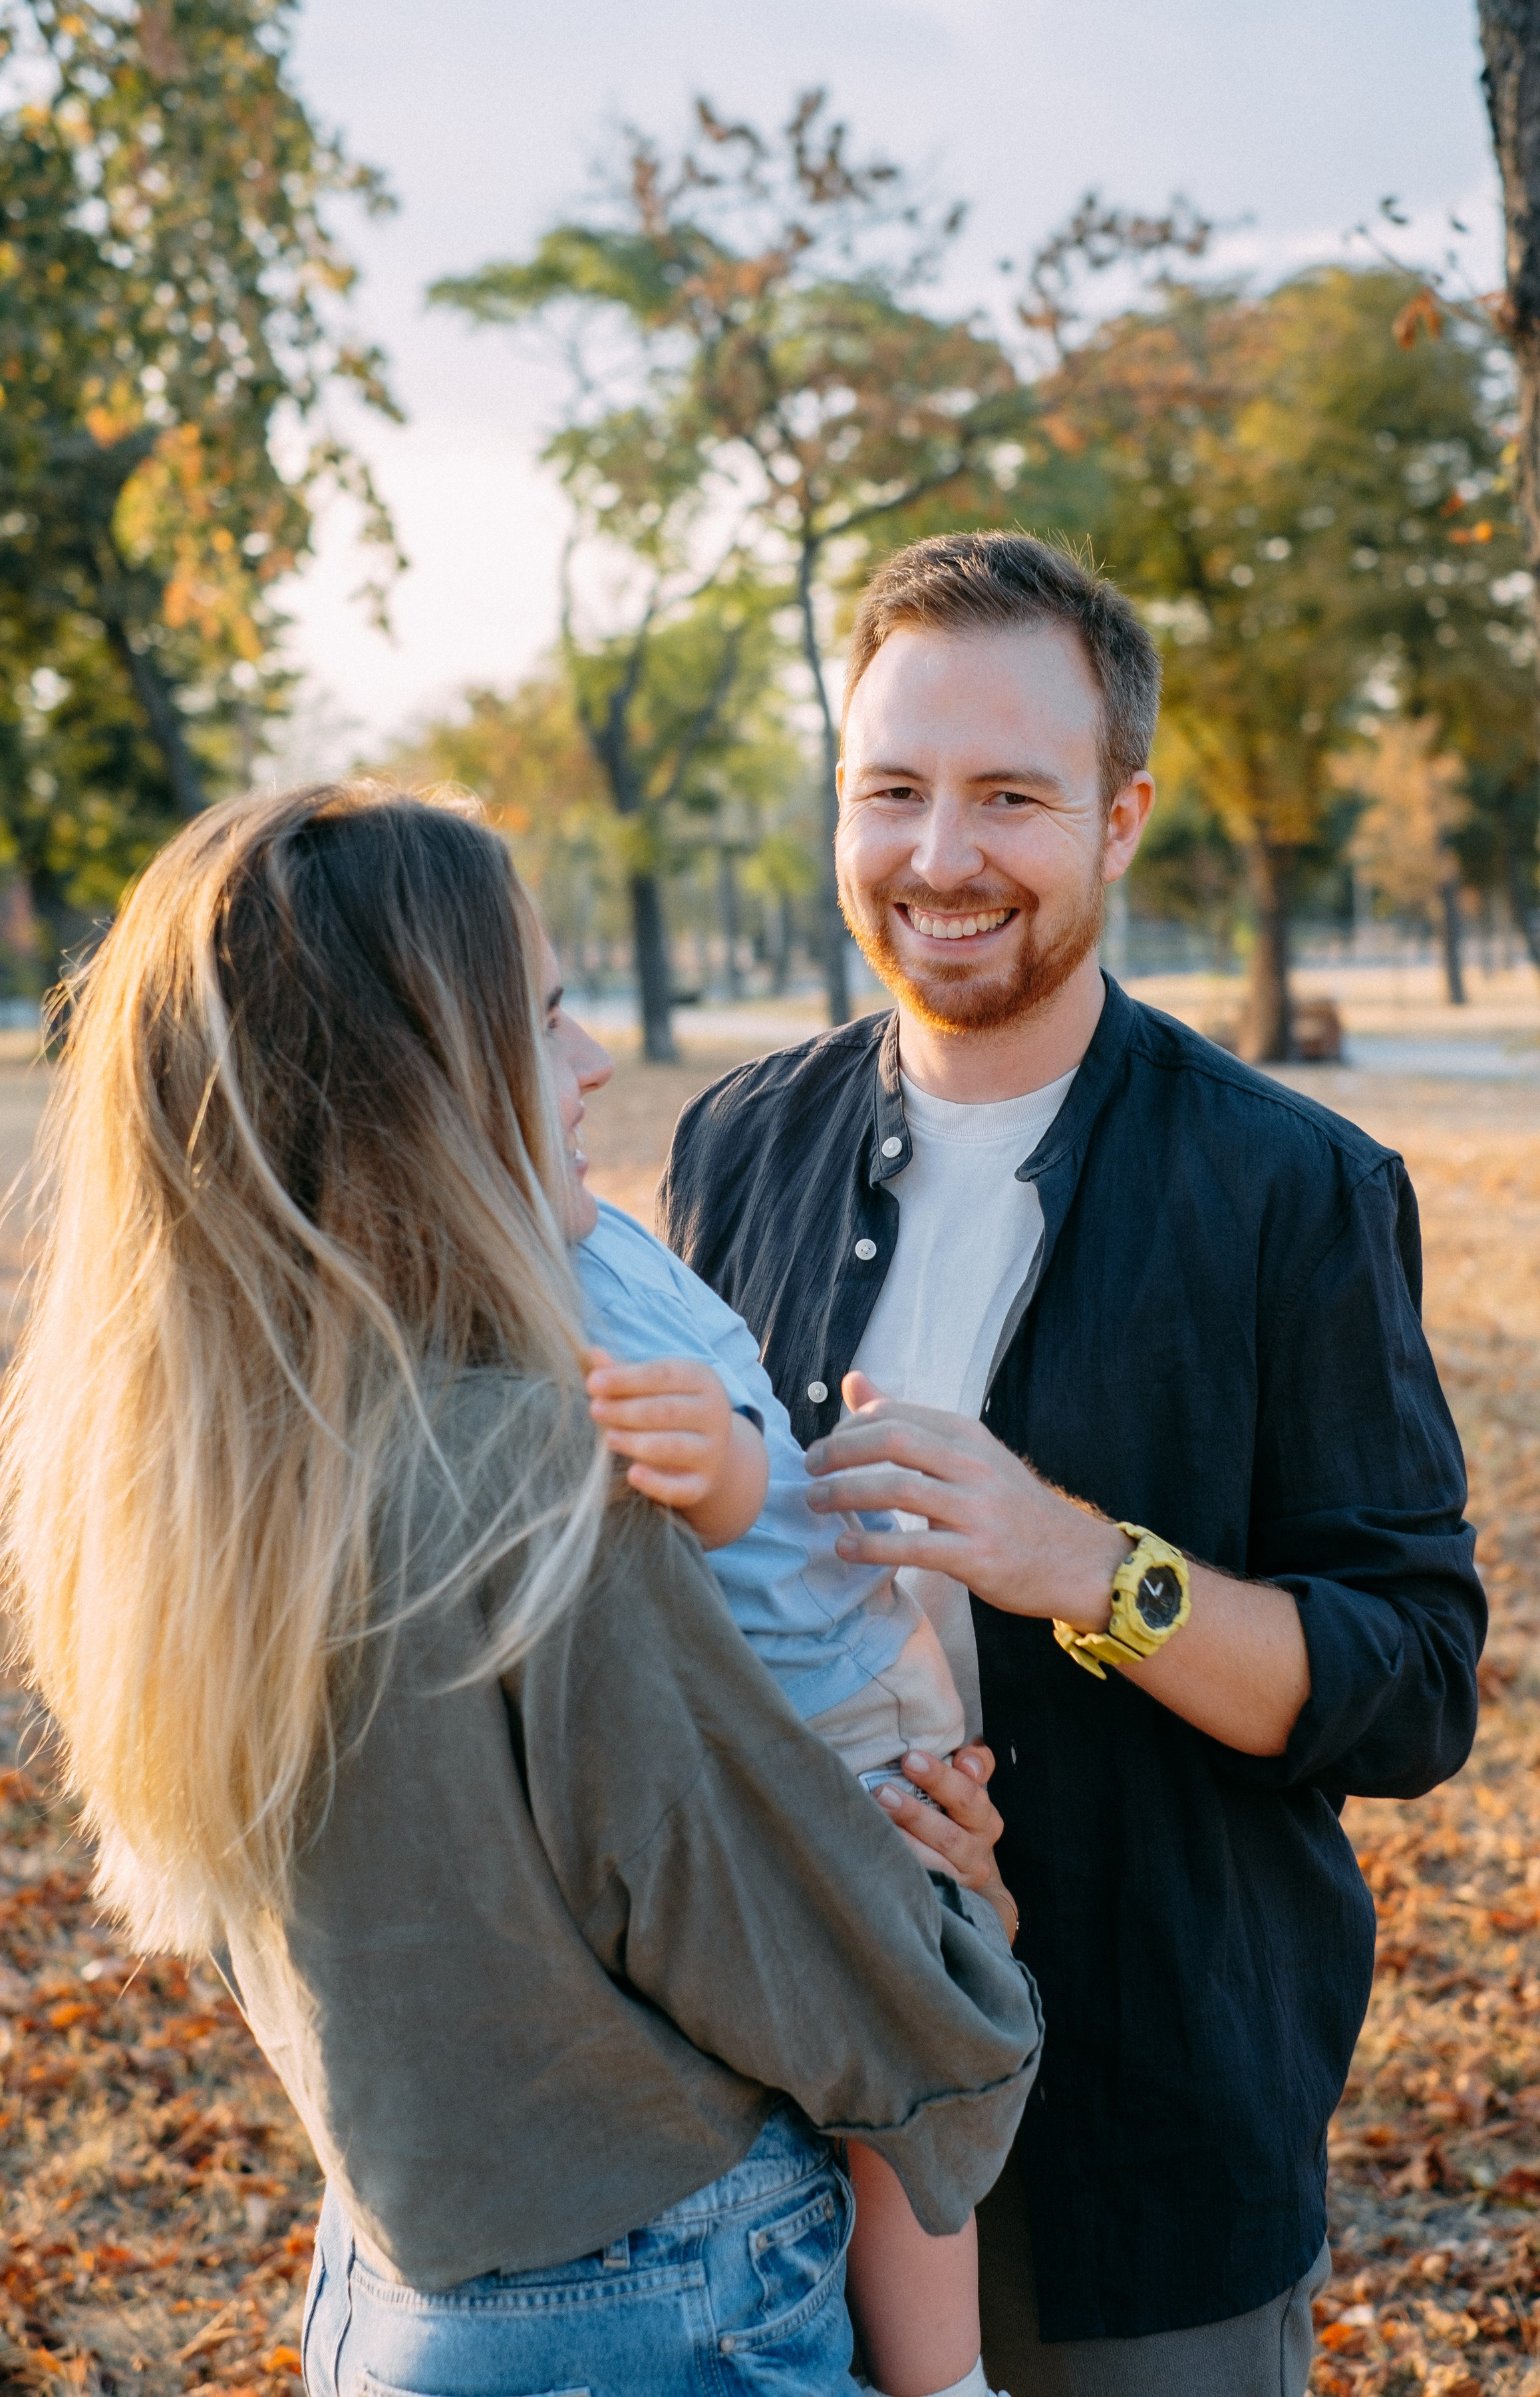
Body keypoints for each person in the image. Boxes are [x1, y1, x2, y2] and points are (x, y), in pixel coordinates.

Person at [0, 782, 1042, 2397]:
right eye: (539, 1019)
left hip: (394, 2280)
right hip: (662, 2293)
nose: (592, 1059)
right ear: (412, 1089)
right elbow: (750, 1918)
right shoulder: (539, 1467)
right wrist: (963, 1932)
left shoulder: (206, 1478)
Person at [660, 532, 1487, 2396]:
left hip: (1144, 2136)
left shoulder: (1294, 1189)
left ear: (1119, 821)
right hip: (781, 2125)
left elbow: (1414, 1685)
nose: (939, 857)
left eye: (1010, 798)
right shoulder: (734, 1145)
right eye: (892, 790)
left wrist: (1086, 1568)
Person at [538, 932, 1010, 2397]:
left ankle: (941, 2375)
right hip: (801, 1694)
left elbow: (732, 1451)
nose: (594, 1059)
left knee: (911, 2038)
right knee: (879, 2044)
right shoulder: (527, 1269)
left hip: (848, 1680)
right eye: (544, 1021)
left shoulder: (595, 1241)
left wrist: (753, 1472)